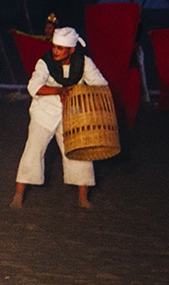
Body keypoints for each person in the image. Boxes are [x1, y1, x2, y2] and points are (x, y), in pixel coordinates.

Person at [11, 26, 108, 210]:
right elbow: (33, 87)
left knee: (79, 152)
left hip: (72, 114)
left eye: (60, 48)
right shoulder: (45, 61)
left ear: (71, 49)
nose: (55, 51)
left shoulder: (84, 62)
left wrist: (77, 92)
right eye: (54, 46)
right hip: (44, 112)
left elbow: (101, 85)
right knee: (33, 150)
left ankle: (83, 198)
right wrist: (59, 91)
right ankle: (18, 194)